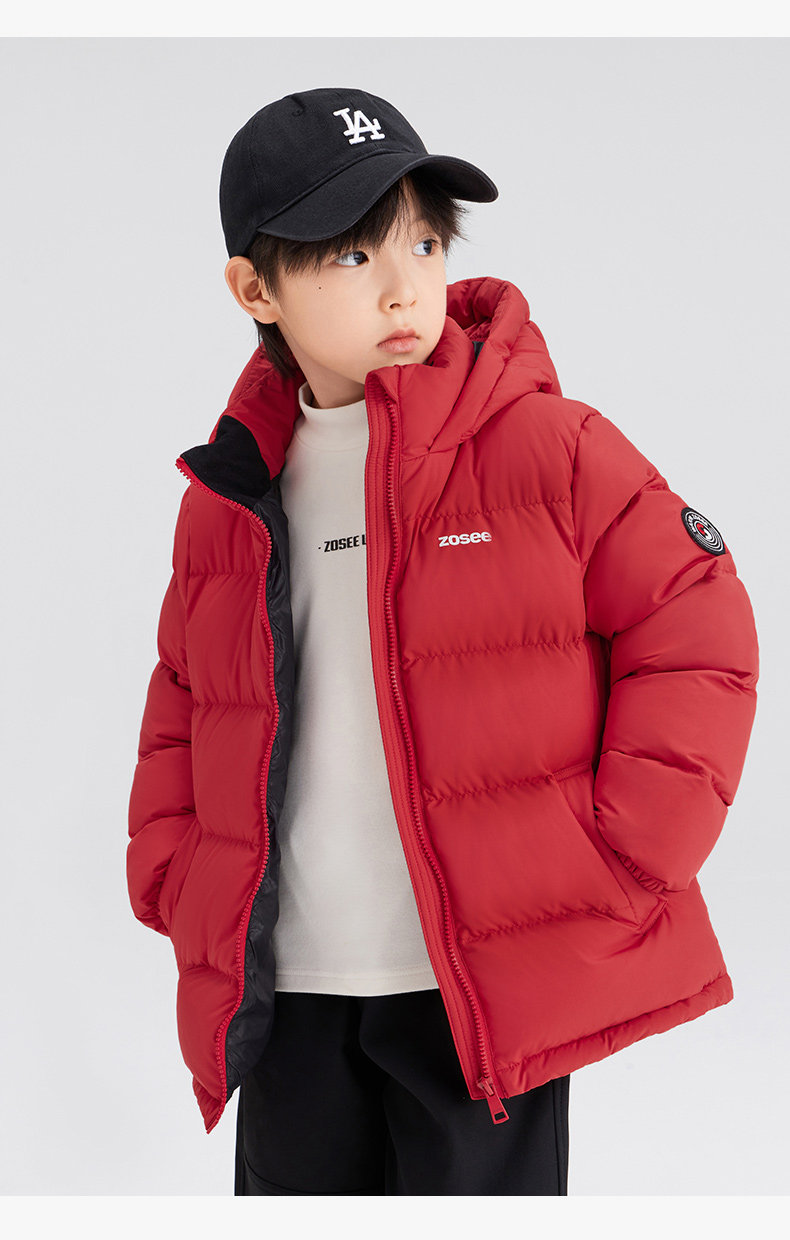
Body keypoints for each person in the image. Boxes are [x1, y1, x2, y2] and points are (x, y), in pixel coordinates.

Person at [126, 87, 760, 1196]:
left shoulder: (546, 448)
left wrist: (630, 846)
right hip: (288, 989)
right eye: (350, 254)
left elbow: (694, 615)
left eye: (423, 243)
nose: (403, 285)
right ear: (255, 290)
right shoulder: (229, 496)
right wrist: (176, 874)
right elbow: (187, 693)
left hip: (479, 989)